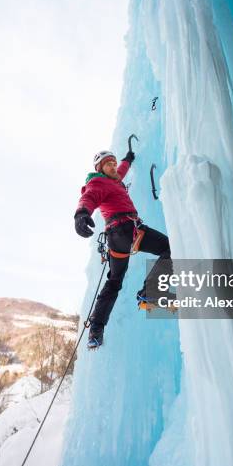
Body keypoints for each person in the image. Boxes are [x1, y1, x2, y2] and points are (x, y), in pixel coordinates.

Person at [74, 149, 174, 349]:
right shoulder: (98, 182)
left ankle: (96, 330)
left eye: (113, 162)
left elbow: (121, 170)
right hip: (123, 230)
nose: (113, 166)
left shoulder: (114, 179)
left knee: (115, 281)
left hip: (124, 235)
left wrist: (128, 159)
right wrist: (81, 213)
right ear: (99, 169)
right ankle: (149, 293)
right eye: (107, 164)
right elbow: (90, 196)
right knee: (169, 248)